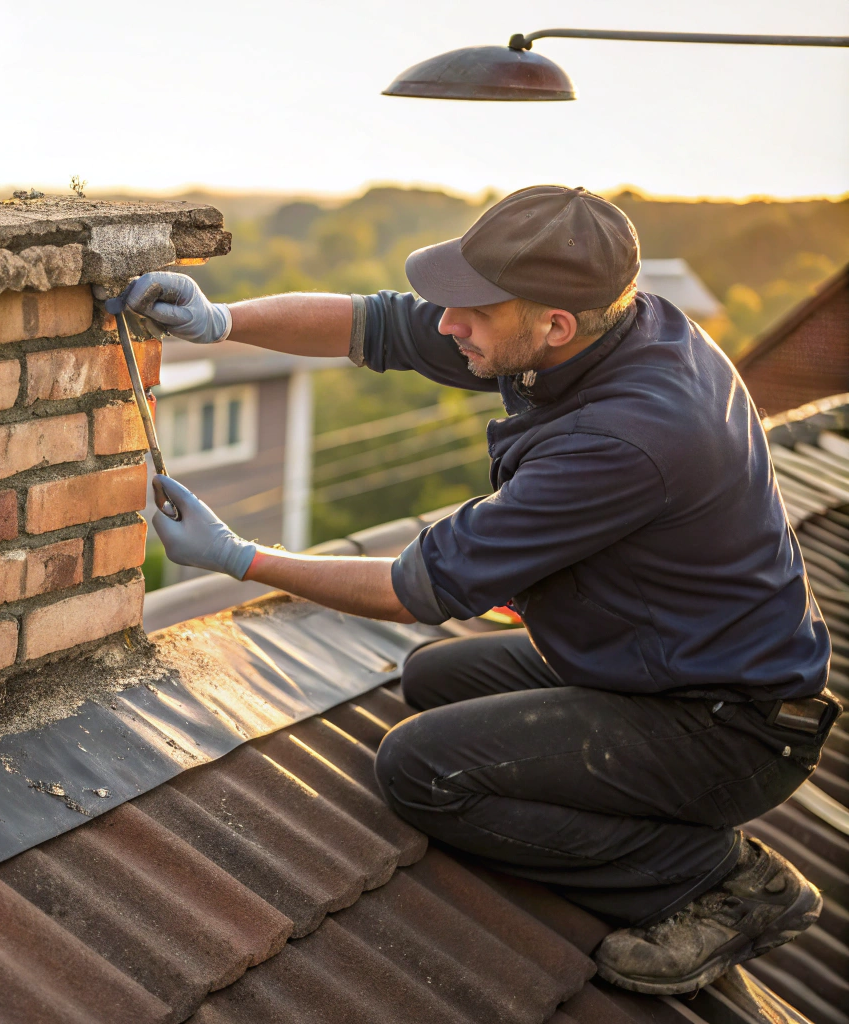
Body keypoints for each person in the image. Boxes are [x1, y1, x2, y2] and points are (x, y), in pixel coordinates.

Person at [122, 185, 840, 996]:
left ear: (555, 326)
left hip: (728, 728)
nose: (448, 323)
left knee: (421, 771)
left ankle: (720, 877)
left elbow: (413, 585)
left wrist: (239, 558)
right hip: (662, 668)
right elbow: (375, 323)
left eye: (471, 313)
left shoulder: (629, 438)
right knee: (431, 677)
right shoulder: (603, 323)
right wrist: (224, 321)